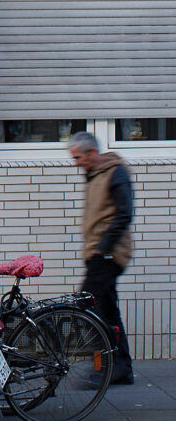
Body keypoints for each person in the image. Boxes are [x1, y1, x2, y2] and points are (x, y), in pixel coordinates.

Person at [68, 131, 134, 385]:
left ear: (91, 153)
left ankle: (103, 367)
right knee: (107, 311)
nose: (76, 163)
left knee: (89, 307)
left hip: (108, 254)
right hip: (97, 253)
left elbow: (124, 214)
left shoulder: (115, 173)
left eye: (78, 158)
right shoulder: (95, 173)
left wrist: (103, 248)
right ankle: (120, 368)